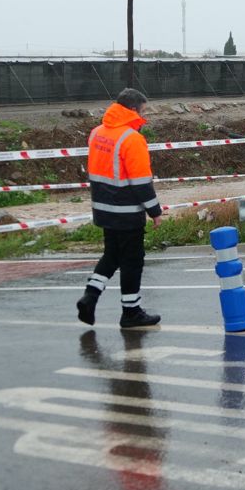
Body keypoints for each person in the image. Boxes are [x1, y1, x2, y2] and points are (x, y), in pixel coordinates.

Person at [78, 88, 162, 328]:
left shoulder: (97, 133)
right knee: (132, 261)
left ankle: (90, 297)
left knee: (112, 255)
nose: (145, 117)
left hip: (103, 210)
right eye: (143, 111)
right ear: (133, 110)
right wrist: (155, 211)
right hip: (126, 212)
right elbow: (140, 182)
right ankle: (131, 312)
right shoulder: (132, 138)